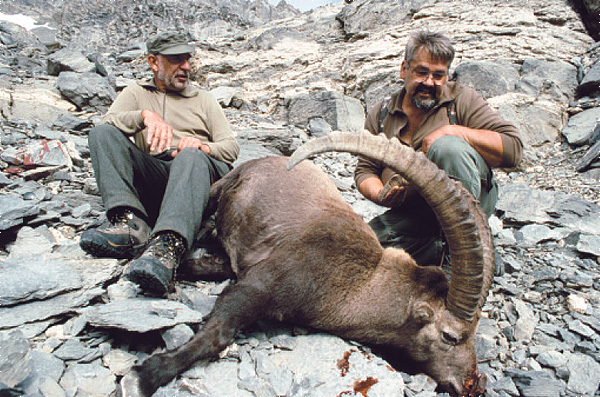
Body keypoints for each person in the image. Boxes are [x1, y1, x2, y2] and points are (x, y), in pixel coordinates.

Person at [80, 31, 239, 296]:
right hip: (158, 176)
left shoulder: (204, 99)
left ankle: (167, 248)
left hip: (200, 179)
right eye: (177, 60)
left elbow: (231, 148)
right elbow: (108, 123)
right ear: (154, 62)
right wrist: (145, 116)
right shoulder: (136, 93)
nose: (186, 67)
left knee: (189, 156)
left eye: (187, 60)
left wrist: (203, 147)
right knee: (102, 133)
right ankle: (130, 224)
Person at [354, 30, 523, 266]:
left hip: (466, 210)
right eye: (421, 72)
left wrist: (455, 131)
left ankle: (465, 258)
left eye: (438, 75)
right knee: (361, 250)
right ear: (404, 69)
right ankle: (447, 251)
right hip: (414, 212)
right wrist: (380, 194)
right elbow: (365, 169)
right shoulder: (382, 114)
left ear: (447, 76)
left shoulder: (463, 101)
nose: (429, 82)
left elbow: (513, 149)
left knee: (448, 147)